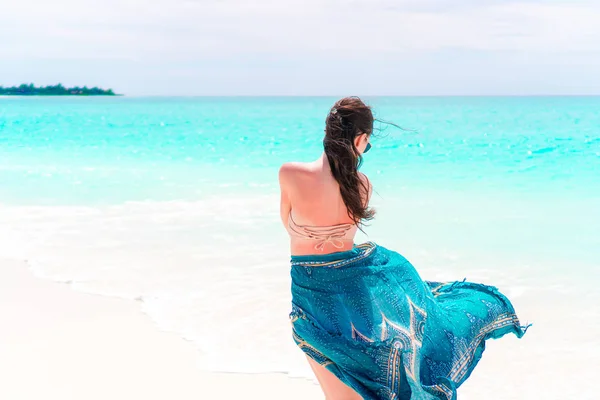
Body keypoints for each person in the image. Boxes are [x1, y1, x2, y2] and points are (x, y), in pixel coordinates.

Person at [278, 96, 528, 400]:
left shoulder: (291, 174)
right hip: (352, 293)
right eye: (367, 145)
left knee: (339, 385)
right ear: (360, 139)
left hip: (311, 295)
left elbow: (287, 224)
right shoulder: (362, 186)